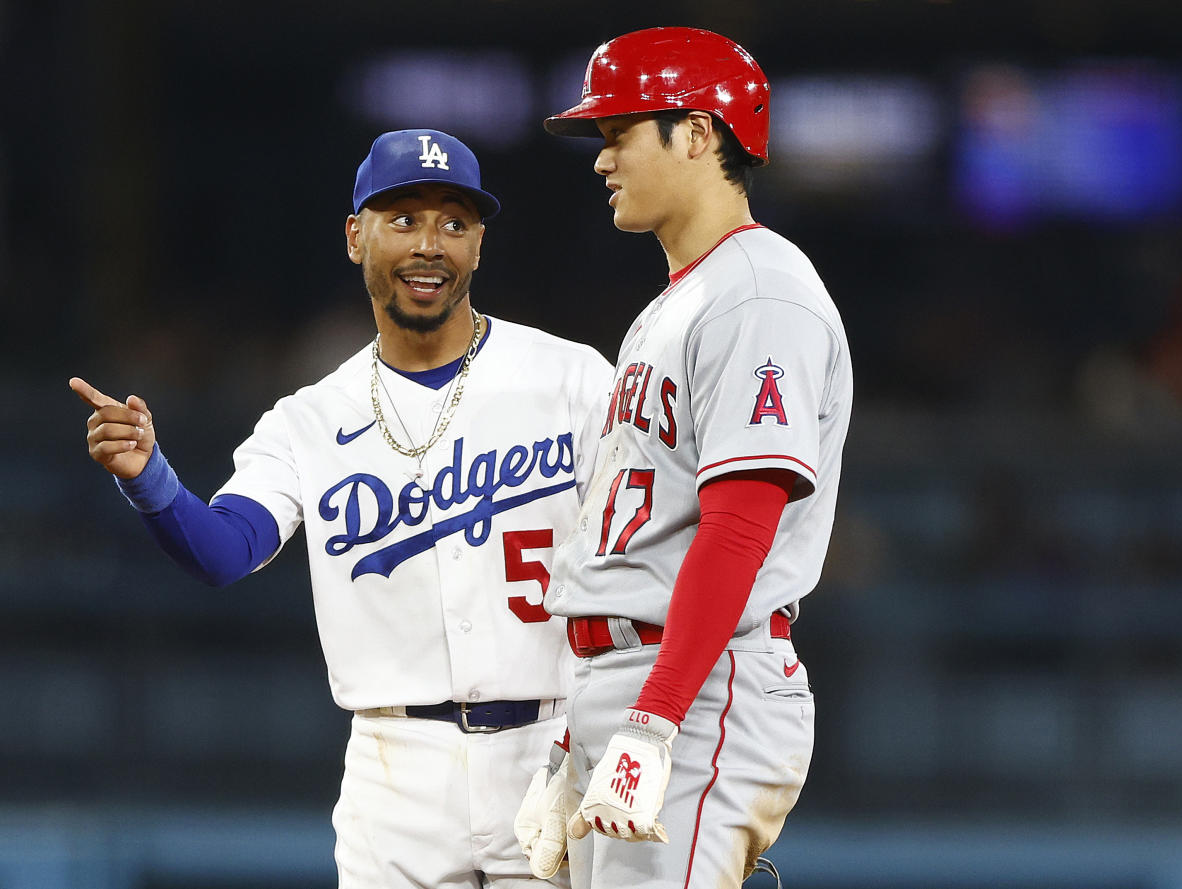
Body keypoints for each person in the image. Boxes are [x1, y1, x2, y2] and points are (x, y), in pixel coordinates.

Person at [70, 128, 614, 889]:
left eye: (455, 223)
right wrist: (152, 479)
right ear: (356, 236)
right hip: (397, 774)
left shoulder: (574, 379)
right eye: (404, 220)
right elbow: (227, 550)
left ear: (480, 245)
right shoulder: (309, 418)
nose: (431, 245)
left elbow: (643, 551)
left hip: (554, 742)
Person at [514, 27, 854, 889]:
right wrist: (575, 732)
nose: (602, 159)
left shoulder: (760, 293)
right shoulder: (682, 300)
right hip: (633, 676)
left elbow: (738, 529)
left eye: (621, 131)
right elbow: (631, 538)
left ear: (699, 134)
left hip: (699, 687)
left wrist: (655, 720)